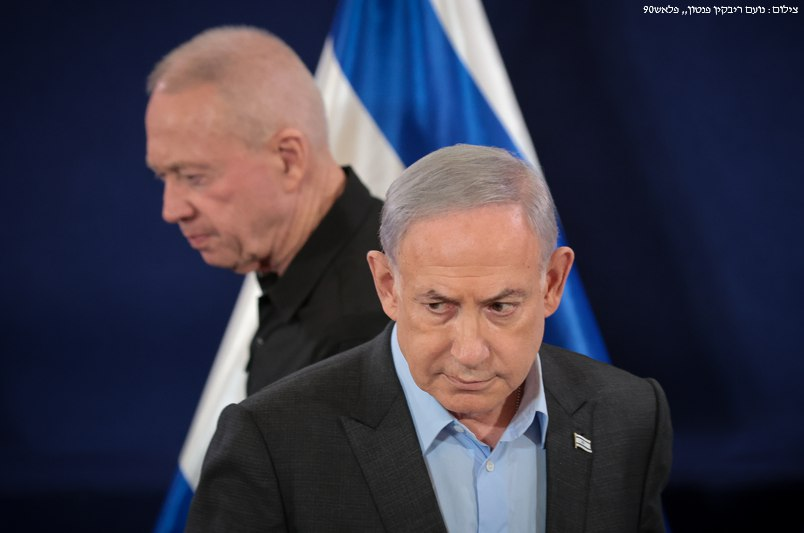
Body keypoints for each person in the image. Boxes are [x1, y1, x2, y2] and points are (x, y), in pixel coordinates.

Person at [186, 144, 673, 532]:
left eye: (500, 307)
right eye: (438, 306)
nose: (469, 351)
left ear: (552, 283)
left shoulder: (630, 417)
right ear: (387, 286)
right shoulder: (273, 442)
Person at [145, 26, 389, 395]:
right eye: (162, 176)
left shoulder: (363, 333)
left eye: (194, 177)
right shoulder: (296, 281)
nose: (171, 209)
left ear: (288, 160)